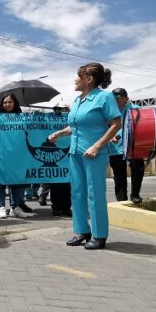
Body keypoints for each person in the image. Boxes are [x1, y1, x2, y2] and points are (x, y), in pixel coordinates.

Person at [48, 62, 121, 250]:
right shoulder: (78, 100)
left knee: (94, 194)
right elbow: (75, 126)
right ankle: (81, 231)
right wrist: (59, 134)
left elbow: (115, 124)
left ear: (89, 79)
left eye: (78, 76)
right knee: (77, 193)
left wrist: (97, 146)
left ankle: (99, 235)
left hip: (94, 154)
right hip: (75, 153)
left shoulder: (104, 97)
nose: (75, 79)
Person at [0, 93, 35, 219]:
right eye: (5, 102)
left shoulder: (22, 118)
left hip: (18, 155)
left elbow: (31, 131)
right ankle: (1, 207)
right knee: (1, 181)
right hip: (3, 155)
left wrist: (34, 117)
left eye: (10, 102)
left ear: (15, 103)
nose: (7, 104)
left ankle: (14, 208)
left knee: (16, 182)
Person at [107, 88, 146, 203]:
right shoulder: (107, 112)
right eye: (113, 98)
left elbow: (142, 125)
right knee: (119, 176)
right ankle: (121, 200)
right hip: (115, 148)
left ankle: (135, 194)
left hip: (134, 146)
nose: (115, 100)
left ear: (126, 99)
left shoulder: (135, 109)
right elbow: (103, 128)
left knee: (138, 169)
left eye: (118, 97)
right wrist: (110, 137)